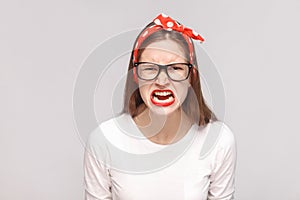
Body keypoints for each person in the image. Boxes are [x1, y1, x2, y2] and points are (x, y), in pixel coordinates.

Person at [84, 13, 237, 200]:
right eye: (149, 68)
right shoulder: (103, 141)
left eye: (176, 68)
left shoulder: (219, 141)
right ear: (136, 75)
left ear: (192, 76)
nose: (162, 80)